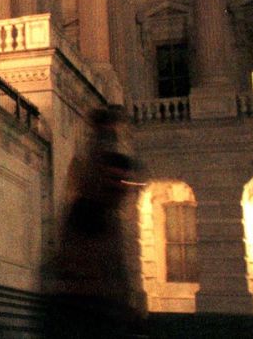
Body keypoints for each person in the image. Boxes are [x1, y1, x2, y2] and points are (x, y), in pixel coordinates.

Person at [43, 107, 144, 338]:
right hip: (84, 310)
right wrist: (103, 133)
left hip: (98, 309)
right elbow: (92, 175)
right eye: (116, 181)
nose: (122, 188)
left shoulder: (108, 216)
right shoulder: (88, 209)